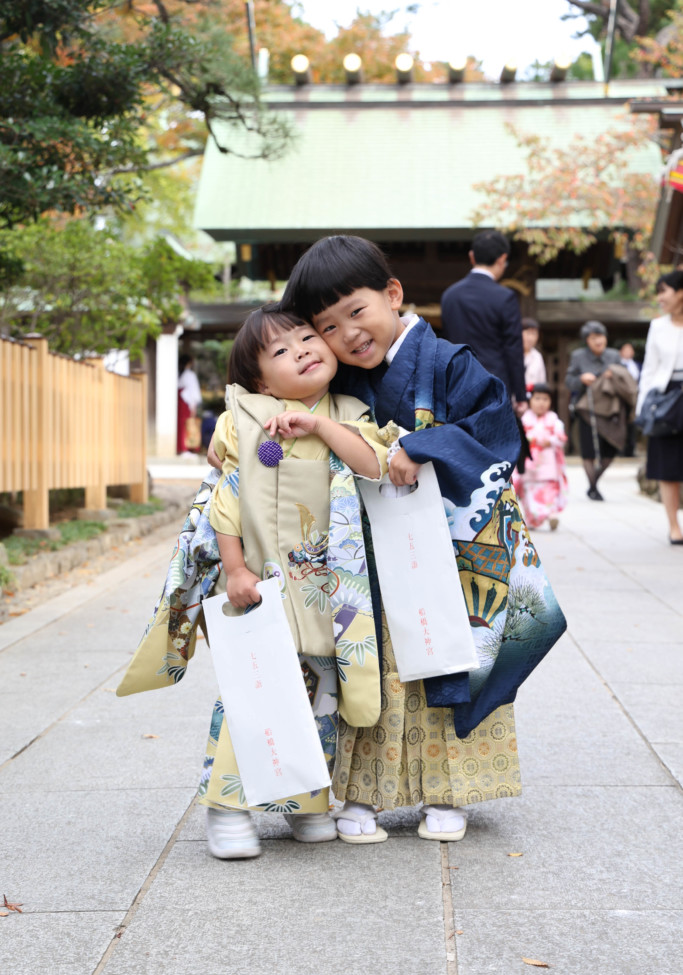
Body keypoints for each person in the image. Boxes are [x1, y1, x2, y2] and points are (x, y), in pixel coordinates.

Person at [282, 234, 566, 845]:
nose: (348, 335)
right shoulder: (339, 382)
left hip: (449, 553)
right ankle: (362, 792)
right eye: (327, 327)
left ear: (393, 293)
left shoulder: (449, 362)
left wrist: (424, 445)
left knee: (449, 657)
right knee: (373, 666)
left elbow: (496, 431)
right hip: (369, 556)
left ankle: (449, 791)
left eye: (357, 311)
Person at [119, 303, 391, 859]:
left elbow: (371, 464)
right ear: (261, 381)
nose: (304, 351)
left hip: (327, 589)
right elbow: (226, 501)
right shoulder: (242, 419)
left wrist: (321, 426)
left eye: (308, 338)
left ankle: (306, 803)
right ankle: (227, 810)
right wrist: (236, 569)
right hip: (261, 582)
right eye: (282, 351)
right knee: (254, 693)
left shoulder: (351, 411)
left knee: (323, 695)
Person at [440, 230, 527, 412]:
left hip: (457, 384)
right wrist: (520, 395)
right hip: (494, 384)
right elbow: (513, 349)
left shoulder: (450, 296)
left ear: (472, 256)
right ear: (502, 259)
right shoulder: (505, 297)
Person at [636, 270, 683, 544]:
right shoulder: (658, 326)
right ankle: (674, 526)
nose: (660, 298)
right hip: (666, 400)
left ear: (680, 292)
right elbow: (649, 370)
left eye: (664, 291)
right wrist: (642, 409)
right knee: (667, 464)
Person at [565, 321, 623, 501]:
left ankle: (593, 484)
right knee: (589, 450)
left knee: (611, 448)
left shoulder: (614, 355)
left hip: (610, 409)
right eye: (593, 338)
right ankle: (593, 487)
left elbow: (624, 378)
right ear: (587, 341)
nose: (598, 341)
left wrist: (614, 376)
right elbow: (569, 381)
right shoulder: (578, 356)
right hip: (587, 408)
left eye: (601, 336)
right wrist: (581, 379)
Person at [512, 384, 568, 531]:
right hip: (528, 463)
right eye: (537, 398)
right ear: (530, 400)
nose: (541, 403)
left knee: (548, 490)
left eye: (545, 399)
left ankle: (551, 514)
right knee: (529, 492)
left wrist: (550, 440)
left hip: (548, 462)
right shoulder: (524, 420)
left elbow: (561, 438)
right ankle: (532, 519)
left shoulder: (554, 420)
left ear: (551, 402)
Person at [177, 354, 202, 455]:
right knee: (187, 424)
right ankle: (187, 448)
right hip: (187, 403)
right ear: (189, 363)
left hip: (180, 402)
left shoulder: (179, 374)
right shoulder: (190, 375)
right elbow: (193, 392)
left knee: (181, 425)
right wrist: (193, 406)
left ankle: (181, 447)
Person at [522, 317, 547, 393]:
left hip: (532, 396)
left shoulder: (538, 357)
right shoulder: (510, 354)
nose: (531, 338)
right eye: (528, 333)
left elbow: (541, 382)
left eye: (534, 334)